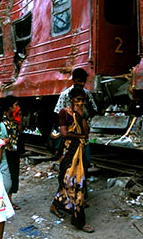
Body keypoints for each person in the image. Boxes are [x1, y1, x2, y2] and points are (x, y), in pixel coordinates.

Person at [50, 86, 94, 233]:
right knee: (70, 182)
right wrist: (80, 136)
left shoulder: (81, 113)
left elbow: (86, 131)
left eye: (83, 100)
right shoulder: (64, 113)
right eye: (78, 100)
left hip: (79, 152)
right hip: (69, 152)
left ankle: (76, 218)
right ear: (71, 100)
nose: (80, 103)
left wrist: (81, 116)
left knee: (78, 183)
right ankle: (75, 216)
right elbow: (64, 133)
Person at [53, 68, 98, 195]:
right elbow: (59, 119)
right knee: (68, 167)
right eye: (79, 81)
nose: (82, 84)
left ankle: (80, 192)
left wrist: (82, 115)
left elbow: (94, 110)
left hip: (83, 138)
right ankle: (65, 193)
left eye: (84, 81)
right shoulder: (65, 95)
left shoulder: (87, 94)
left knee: (84, 163)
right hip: (70, 140)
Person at [3, 96, 23, 210]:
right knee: (5, 176)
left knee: (13, 175)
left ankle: (9, 200)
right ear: (10, 107)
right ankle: (3, 200)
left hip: (14, 150)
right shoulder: (2, 119)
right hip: (4, 151)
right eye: (16, 105)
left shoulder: (14, 118)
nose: (18, 107)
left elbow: (20, 131)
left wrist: (18, 119)